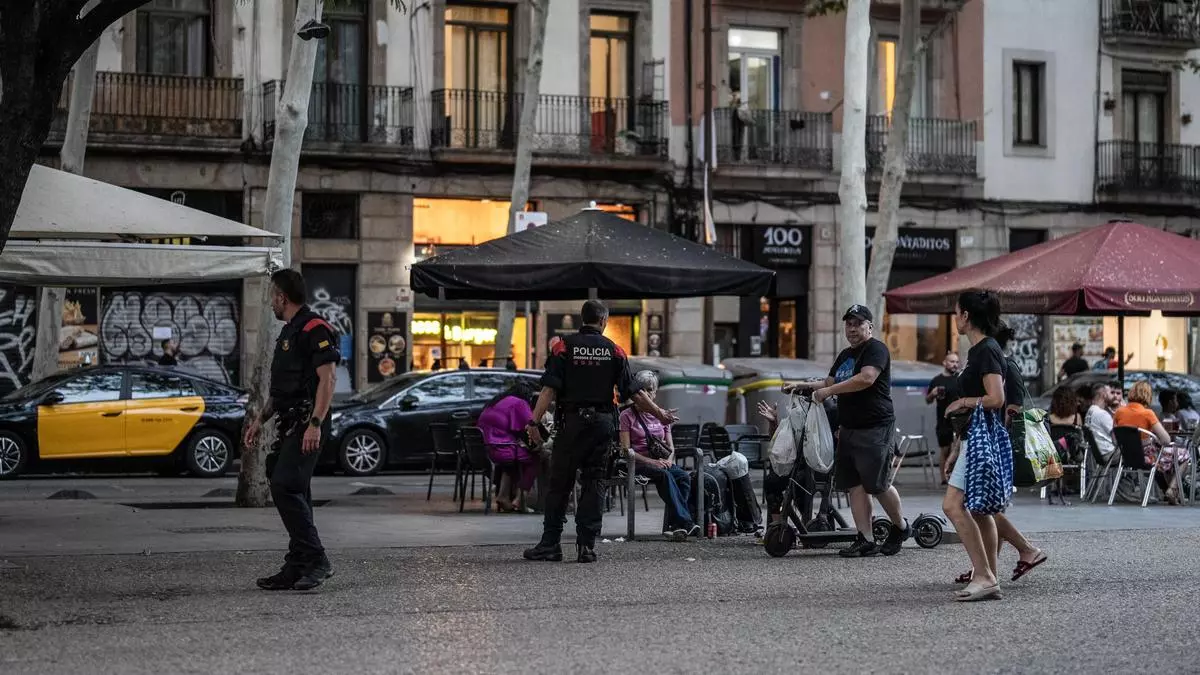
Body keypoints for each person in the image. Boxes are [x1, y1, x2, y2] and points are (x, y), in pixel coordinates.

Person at [522, 300, 677, 564]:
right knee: (595, 484)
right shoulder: (614, 350)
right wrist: (660, 413)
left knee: (560, 485)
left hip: (571, 425)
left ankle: (550, 545)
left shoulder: (563, 346)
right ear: (604, 321)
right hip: (603, 426)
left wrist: (533, 423)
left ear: (582, 319)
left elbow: (549, 390)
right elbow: (634, 392)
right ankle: (587, 547)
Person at [784, 304, 909, 558]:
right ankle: (865, 539)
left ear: (870, 326)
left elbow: (866, 378)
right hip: (849, 427)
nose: (852, 329)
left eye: (858, 324)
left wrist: (828, 392)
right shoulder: (844, 355)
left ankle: (901, 527)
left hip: (875, 426)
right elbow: (829, 382)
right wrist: (800, 385)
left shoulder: (876, 349)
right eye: (848, 324)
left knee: (878, 484)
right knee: (854, 485)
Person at [244, 269, 340, 591]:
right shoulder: (288, 333)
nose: (271, 301)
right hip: (290, 423)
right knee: (293, 488)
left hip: (308, 424)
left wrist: (315, 424)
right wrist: (260, 419)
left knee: (285, 484)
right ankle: (298, 563)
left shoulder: (315, 328)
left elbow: (328, 380)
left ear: (282, 297)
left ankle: (316, 560)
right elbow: (282, 389)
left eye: (272, 295)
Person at [941, 291, 1013, 601]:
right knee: (981, 512)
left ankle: (983, 575)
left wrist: (963, 400)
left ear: (966, 316)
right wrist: (957, 446)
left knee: (952, 506)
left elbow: (996, 398)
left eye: (956, 313)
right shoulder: (981, 350)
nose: (954, 318)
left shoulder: (986, 351)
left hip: (981, 440)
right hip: (972, 439)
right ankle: (989, 578)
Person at [619, 370, 700, 541]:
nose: (646, 394)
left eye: (650, 390)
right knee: (664, 475)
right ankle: (684, 522)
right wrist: (652, 462)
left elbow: (671, 446)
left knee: (683, 477)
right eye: (642, 390)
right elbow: (627, 451)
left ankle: (675, 525)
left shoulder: (661, 415)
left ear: (655, 393)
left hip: (662, 462)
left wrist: (669, 460)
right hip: (639, 463)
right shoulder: (626, 415)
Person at [477, 379, 543, 512]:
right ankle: (520, 500)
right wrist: (540, 442)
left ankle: (503, 496)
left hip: (486, 449)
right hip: (502, 448)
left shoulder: (497, 401)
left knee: (514, 460)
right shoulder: (519, 403)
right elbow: (530, 426)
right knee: (536, 458)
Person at [1114, 381, 1181, 504]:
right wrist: (1151, 439)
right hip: (1147, 458)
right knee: (1183, 455)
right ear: (1147, 395)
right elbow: (1166, 440)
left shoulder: (1119, 412)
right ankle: (1172, 489)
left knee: (1167, 456)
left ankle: (1167, 490)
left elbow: (1115, 436)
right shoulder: (1147, 413)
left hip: (1125, 457)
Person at [925, 351, 962, 483]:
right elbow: (927, 400)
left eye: (957, 362)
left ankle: (955, 478)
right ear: (944, 363)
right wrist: (932, 394)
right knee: (945, 449)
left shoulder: (960, 378)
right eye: (952, 362)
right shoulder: (937, 380)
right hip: (943, 419)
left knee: (957, 449)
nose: (955, 365)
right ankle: (943, 479)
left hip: (959, 419)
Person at [1084, 383, 1117, 465]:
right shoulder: (1102, 414)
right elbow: (1116, 439)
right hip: (1109, 454)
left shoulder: (1090, 411)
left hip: (1098, 455)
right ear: (1104, 395)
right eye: (1111, 393)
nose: (1114, 396)